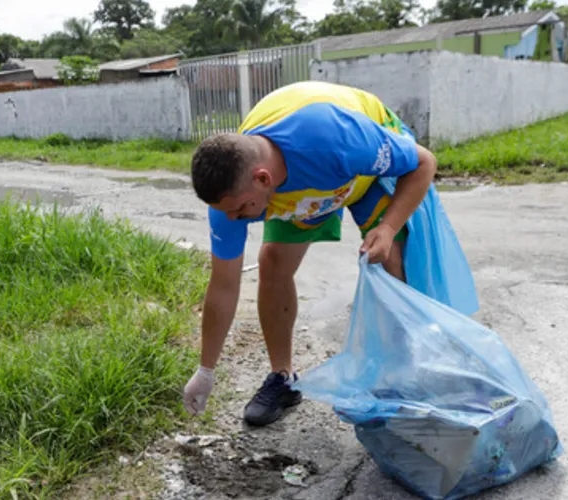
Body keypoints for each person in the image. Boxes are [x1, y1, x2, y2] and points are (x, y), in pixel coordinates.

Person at [182, 80, 441, 427]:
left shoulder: (335, 138)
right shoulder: (231, 198)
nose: (234, 219)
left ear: (262, 178)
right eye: (228, 212)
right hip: (309, 190)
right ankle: (283, 379)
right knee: (272, 261)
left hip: (359, 174)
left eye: (241, 210)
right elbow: (224, 286)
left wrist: (389, 227)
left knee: (390, 256)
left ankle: (403, 376)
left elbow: (424, 162)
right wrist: (206, 370)